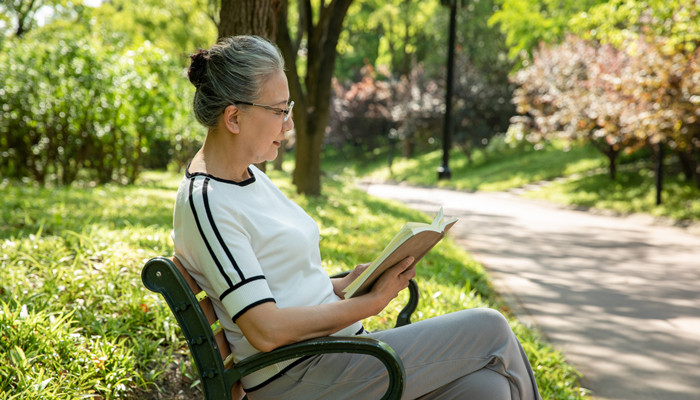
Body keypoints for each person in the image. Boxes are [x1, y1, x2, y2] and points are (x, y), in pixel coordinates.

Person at [173, 35, 542, 400]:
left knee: (487, 390)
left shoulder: (250, 177)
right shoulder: (208, 202)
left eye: (290, 108)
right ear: (234, 117)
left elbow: (284, 286)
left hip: (335, 354)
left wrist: (348, 283)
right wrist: (371, 302)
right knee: (489, 328)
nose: (288, 124)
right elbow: (265, 330)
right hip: (300, 374)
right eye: (279, 110)